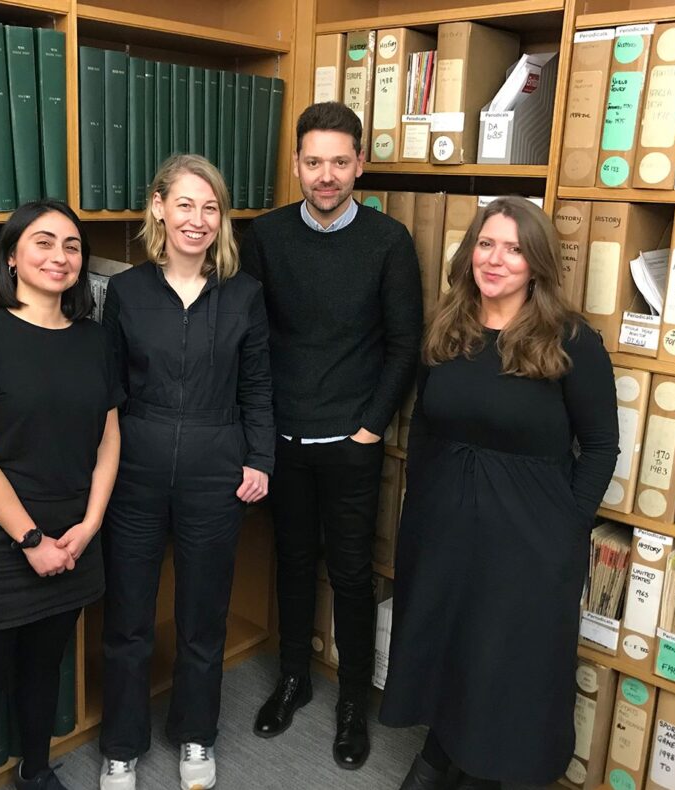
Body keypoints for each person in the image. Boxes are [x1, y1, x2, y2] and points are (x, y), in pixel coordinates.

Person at [379, 197, 620, 790]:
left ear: (536, 263)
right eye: (487, 244)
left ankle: (485, 767)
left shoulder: (571, 341)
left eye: (514, 249)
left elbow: (600, 446)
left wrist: (566, 525)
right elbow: (428, 425)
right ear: (470, 253)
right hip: (445, 522)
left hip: (530, 533)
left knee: (504, 657)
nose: (496, 259)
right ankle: (443, 751)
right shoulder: (448, 327)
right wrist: (423, 506)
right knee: (452, 644)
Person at [241, 101, 423, 770]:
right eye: (313, 162)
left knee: (349, 574)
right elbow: (253, 341)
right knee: (291, 563)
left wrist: (370, 429)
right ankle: (293, 678)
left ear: (360, 164)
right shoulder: (264, 237)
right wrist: (262, 430)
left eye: (340, 162)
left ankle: (351, 701)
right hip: (285, 439)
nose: (326, 175)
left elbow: (405, 344)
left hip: (353, 441)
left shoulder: (388, 241)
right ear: (295, 164)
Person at [98, 154, 274, 790]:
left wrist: (259, 458)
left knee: (204, 617)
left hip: (215, 469)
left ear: (221, 219)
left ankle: (196, 735)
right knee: (128, 618)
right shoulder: (126, 292)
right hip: (135, 472)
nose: (197, 219)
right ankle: (121, 745)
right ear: (159, 208)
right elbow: (109, 389)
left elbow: (257, 384)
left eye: (210, 208)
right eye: (186, 205)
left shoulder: (245, 295)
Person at [0, 200, 121, 790]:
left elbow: (109, 439)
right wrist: (31, 539)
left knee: (46, 671)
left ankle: (36, 771)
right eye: (43, 243)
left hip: (72, 540)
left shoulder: (94, 340)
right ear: (12, 258)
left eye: (71, 246)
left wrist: (89, 525)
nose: (60, 256)